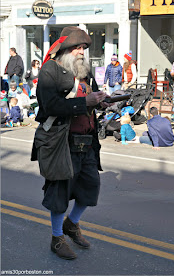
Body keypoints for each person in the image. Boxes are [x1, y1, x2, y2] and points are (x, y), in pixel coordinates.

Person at [31, 26, 109, 260]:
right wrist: (85, 101)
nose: (81, 51)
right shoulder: (50, 70)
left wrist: (101, 102)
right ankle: (57, 239)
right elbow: (51, 105)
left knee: (90, 187)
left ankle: (71, 224)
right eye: (77, 47)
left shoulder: (85, 72)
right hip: (60, 141)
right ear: (65, 49)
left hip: (87, 140)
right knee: (59, 193)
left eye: (84, 47)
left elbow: (90, 99)